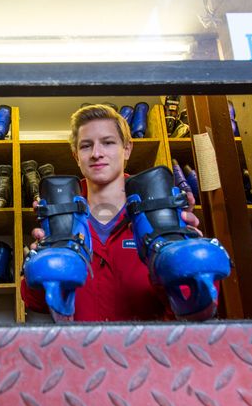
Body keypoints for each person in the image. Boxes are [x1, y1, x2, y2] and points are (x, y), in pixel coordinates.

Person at [21, 104, 202, 322]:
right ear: (76, 156)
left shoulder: (164, 212)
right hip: (79, 351)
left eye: (108, 142)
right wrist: (41, 267)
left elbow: (192, 306)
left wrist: (185, 256)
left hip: (148, 351)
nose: (97, 154)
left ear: (127, 148)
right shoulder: (58, 215)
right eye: (86, 146)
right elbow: (38, 306)